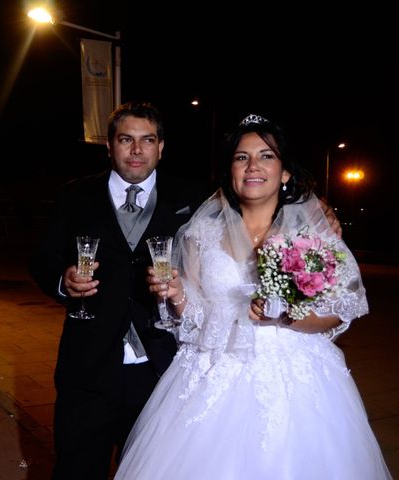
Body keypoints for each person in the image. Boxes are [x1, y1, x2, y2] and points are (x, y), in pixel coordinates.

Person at [114, 114, 392, 479]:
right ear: (231, 171)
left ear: (285, 172)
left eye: (266, 156)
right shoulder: (202, 233)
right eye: (241, 157)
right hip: (213, 372)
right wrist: (177, 293)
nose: (253, 166)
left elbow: (340, 311)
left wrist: (284, 317)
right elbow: (193, 320)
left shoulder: (313, 234)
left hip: (296, 382)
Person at [29, 101, 207, 479]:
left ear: (162, 147)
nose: (137, 149)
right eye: (127, 139)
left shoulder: (192, 199)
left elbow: (251, 209)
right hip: (88, 365)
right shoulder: (74, 196)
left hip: (160, 367)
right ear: (109, 146)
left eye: (148, 140)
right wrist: (64, 280)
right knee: (76, 469)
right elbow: (42, 259)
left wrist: (314, 204)